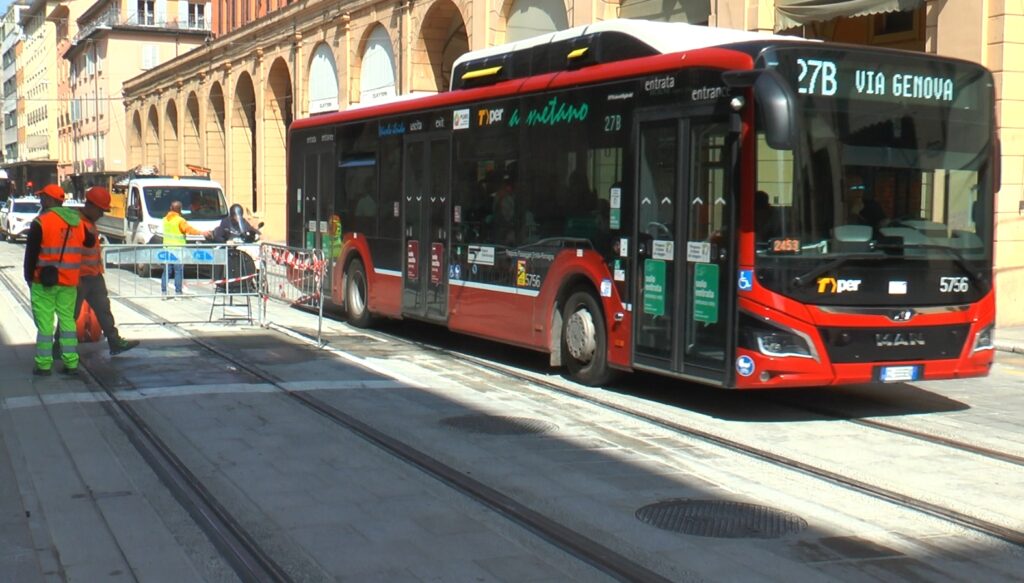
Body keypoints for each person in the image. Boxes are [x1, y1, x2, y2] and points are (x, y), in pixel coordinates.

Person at [23, 184, 92, 376]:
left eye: (43, 197)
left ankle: (44, 365)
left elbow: (31, 254)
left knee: (45, 324)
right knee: (68, 322)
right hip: (69, 282)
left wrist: (29, 277)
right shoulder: (77, 222)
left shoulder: (41, 222)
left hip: (43, 281)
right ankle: (71, 363)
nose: (41, 200)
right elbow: (90, 242)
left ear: (51, 200)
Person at [75, 187, 140, 356]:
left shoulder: (89, 223)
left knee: (104, 309)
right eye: (101, 210)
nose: (102, 214)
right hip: (80, 277)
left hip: (94, 275)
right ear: (91, 206)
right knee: (71, 314)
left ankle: (114, 341)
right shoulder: (77, 224)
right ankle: (59, 347)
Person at [162, 200, 210, 298]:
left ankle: (164, 292)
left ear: (171, 208)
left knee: (167, 271)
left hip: (167, 248)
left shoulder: (165, 219)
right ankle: (178, 293)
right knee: (178, 271)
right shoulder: (180, 220)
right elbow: (189, 230)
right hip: (177, 249)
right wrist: (202, 233)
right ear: (179, 210)